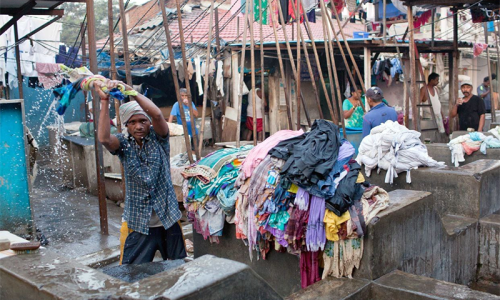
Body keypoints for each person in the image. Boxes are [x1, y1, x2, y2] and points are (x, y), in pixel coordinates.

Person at [96, 79, 186, 265]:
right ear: (126, 126)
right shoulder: (123, 144)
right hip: (137, 223)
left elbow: (158, 115)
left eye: (143, 121)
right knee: (129, 276)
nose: (139, 126)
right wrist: (104, 102)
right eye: (133, 122)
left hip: (168, 219)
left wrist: (130, 92)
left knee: (178, 270)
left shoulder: (159, 138)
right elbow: (104, 138)